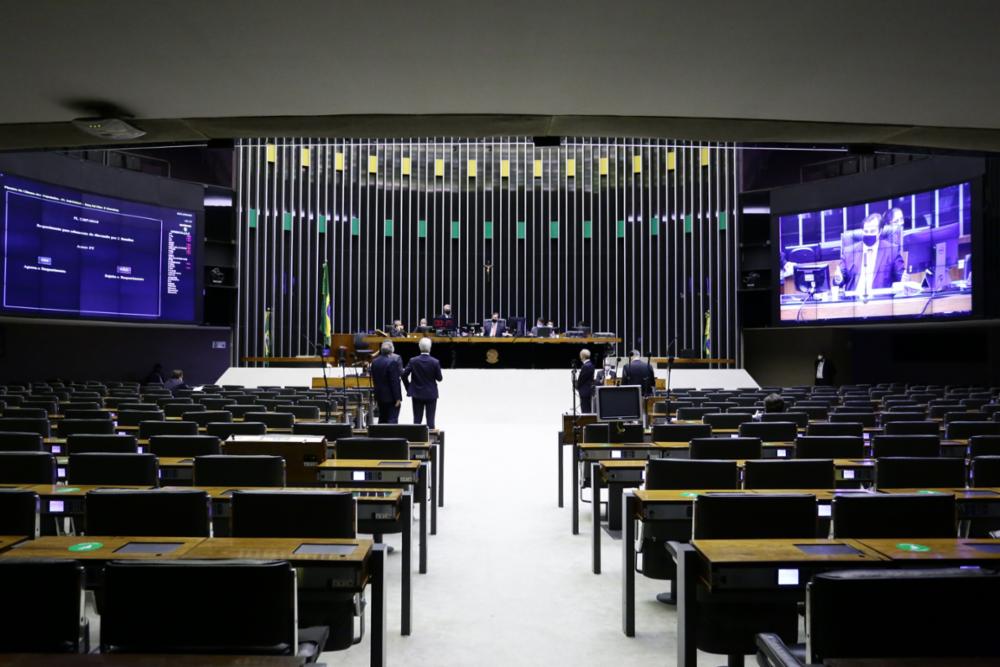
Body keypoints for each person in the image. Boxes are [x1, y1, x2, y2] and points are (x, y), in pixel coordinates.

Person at [834, 212, 904, 296]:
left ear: (880, 231)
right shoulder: (849, 252)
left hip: (880, 303)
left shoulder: (892, 250)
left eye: (872, 231)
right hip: (854, 302)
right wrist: (838, 278)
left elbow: (900, 278)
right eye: (866, 231)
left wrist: (904, 279)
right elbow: (840, 279)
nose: (869, 234)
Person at [402, 337, 443, 429]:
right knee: (430, 421)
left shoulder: (413, 361)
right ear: (430, 347)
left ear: (419, 347)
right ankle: (431, 441)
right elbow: (439, 378)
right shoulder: (435, 362)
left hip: (416, 393)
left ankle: (417, 441)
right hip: (431, 394)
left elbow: (404, 375)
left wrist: (409, 387)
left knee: (417, 420)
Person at [370, 340, 403, 423]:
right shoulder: (392, 363)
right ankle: (391, 435)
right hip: (390, 398)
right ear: (391, 350)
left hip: (379, 396)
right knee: (392, 419)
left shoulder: (374, 362)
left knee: (382, 418)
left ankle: (380, 435)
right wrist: (397, 398)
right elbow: (394, 382)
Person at [576, 348, 595, 412]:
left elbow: (582, 379)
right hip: (587, 390)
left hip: (585, 391)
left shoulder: (586, 366)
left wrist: (577, 386)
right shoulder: (590, 364)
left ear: (582, 356)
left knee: (585, 409)